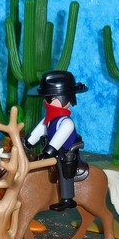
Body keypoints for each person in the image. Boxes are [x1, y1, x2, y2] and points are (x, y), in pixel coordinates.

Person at [26, 70, 87, 211]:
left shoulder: (66, 122)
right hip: (52, 150)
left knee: (64, 168)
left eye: (50, 99)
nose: (45, 103)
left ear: (64, 98)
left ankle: (67, 199)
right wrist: (28, 142)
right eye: (45, 99)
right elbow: (40, 130)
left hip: (65, 152)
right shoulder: (49, 118)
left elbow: (59, 138)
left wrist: (49, 152)